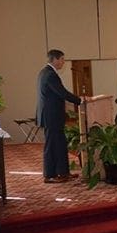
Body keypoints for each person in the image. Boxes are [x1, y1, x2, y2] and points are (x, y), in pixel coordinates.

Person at [36, 49, 86, 184]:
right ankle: (50, 175)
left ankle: (63, 172)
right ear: (55, 59)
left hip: (52, 116)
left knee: (59, 144)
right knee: (52, 145)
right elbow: (62, 92)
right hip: (51, 116)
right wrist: (79, 100)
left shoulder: (44, 72)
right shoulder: (50, 75)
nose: (63, 62)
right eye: (62, 59)